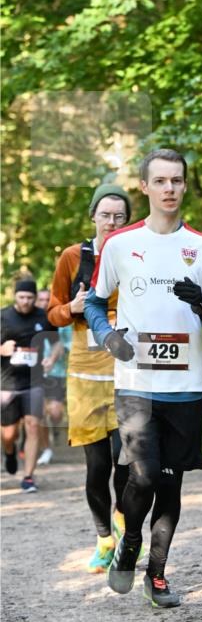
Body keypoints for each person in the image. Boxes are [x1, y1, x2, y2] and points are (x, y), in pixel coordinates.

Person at [85, 148, 202, 608]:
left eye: (178, 181)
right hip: (135, 384)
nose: (170, 188)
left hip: (185, 386)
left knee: (170, 484)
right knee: (143, 476)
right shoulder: (121, 244)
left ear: (185, 186)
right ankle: (129, 544)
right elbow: (93, 301)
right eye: (161, 181)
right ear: (145, 188)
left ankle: (158, 574)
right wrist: (109, 336)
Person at [47, 184, 133, 573]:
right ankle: (104, 538)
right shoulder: (71, 258)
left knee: (127, 463)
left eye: (119, 216)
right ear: (92, 216)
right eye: (105, 215)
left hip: (128, 373)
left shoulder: (137, 253)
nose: (111, 222)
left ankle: (123, 519)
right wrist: (72, 307)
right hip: (84, 375)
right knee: (97, 466)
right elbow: (52, 314)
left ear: (127, 220)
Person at [1, 279, 58, 492]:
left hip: (34, 381)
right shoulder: (3, 316)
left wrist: (52, 358)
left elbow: (56, 342)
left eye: (29, 298)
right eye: (21, 297)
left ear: (35, 298)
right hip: (7, 383)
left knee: (33, 426)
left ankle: (28, 477)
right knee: (8, 434)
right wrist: (2, 349)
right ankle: (9, 452)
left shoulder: (43, 317)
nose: (25, 302)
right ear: (15, 296)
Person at [35, 289, 68, 466]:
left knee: (55, 413)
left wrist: (53, 359)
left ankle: (53, 428)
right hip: (35, 375)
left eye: (47, 300)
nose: (43, 302)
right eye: (40, 299)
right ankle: (46, 448)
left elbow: (65, 345)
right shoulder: (30, 321)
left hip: (58, 372)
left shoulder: (61, 320)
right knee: (38, 413)